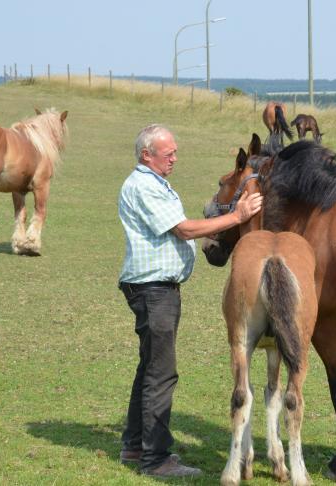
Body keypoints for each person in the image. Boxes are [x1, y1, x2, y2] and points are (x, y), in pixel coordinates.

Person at [117, 124, 262, 478]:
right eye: (168, 154)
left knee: (149, 367)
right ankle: (156, 459)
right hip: (154, 291)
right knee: (161, 373)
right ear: (146, 155)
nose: (175, 159)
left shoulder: (153, 183)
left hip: (157, 290)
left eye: (175, 152)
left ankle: (135, 446)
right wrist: (236, 217)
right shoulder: (143, 186)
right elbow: (183, 229)